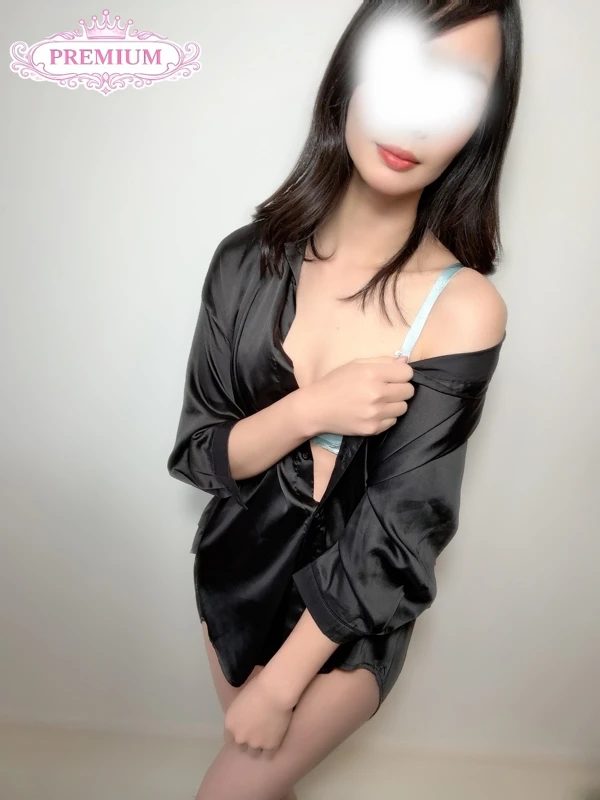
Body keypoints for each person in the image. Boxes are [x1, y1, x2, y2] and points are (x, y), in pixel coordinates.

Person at [167, 1, 522, 798]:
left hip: (345, 628)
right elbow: (199, 453)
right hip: (235, 582)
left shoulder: (463, 309)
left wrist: (282, 685)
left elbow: (402, 530)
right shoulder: (244, 262)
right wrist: (312, 409)